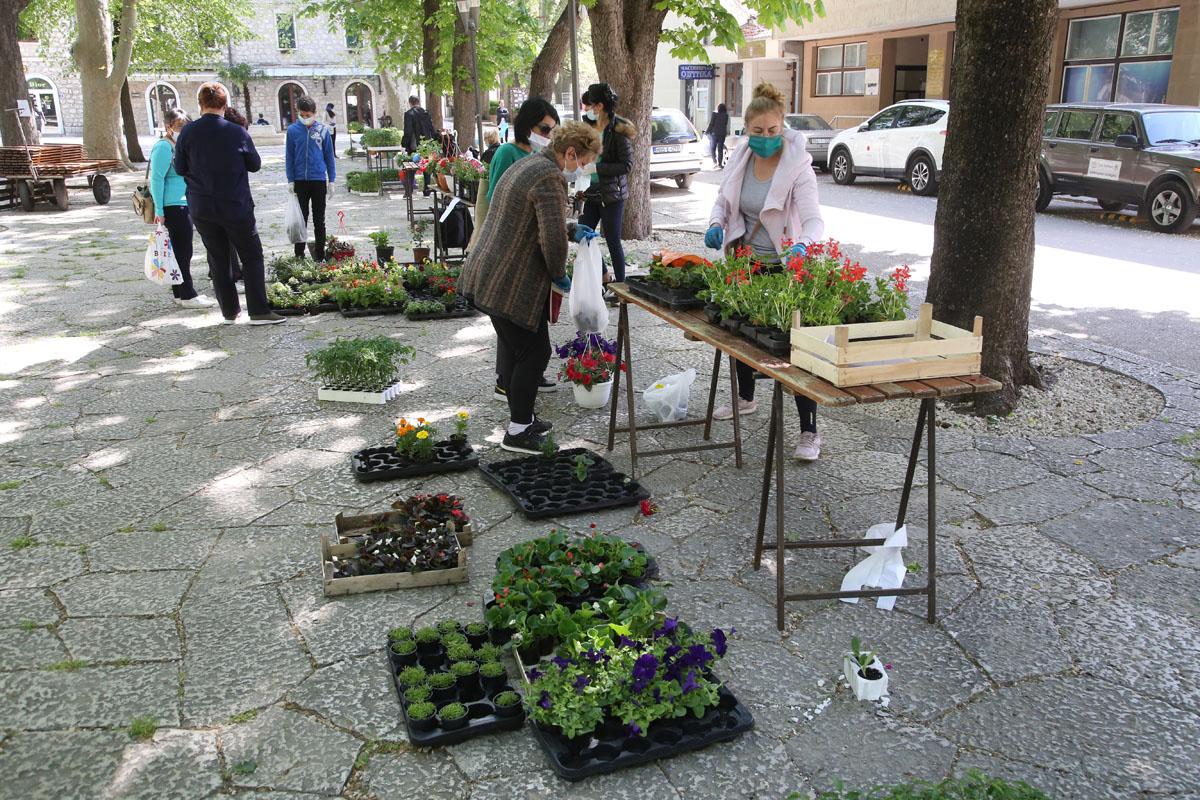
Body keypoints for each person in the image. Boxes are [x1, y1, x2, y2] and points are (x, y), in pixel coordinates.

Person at [460, 121, 602, 454]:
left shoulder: (528, 163)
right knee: (534, 352)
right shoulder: (549, 176)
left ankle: (522, 417)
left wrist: (571, 228)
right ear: (570, 152)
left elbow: (533, 218)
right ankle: (519, 431)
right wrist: (558, 273)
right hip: (510, 280)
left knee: (514, 348)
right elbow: (549, 239)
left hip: (489, 273)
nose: (582, 169)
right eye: (583, 162)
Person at [705, 83, 824, 460]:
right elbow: (723, 202)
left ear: (782, 126)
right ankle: (745, 398)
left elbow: (813, 219)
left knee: (795, 347)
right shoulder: (741, 159)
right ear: (747, 130)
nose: (766, 138)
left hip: (783, 267)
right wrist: (715, 224)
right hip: (745, 263)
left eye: (773, 131)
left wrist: (805, 244)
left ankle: (809, 431)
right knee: (740, 335)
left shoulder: (798, 166)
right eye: (758, 131)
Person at [173, 82, 284, 325]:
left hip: (202, 207)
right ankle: (258, 311)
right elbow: (254, 164)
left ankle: (230, 312)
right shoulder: (236, 132)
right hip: (235, 205)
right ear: (224, 104)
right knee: (252, 255)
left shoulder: (187, 133)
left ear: (200, 104)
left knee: (218, 257)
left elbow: (180, 167)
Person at [484, 96, 561, 400]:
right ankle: (507, 380)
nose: (548, 135)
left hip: (531, 256)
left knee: (532, 323)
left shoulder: (539, 156)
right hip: (509, 251)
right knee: (512, 320)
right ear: (528, 125)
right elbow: (496, 198)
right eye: (545, 128)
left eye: (552, 129)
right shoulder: (507, 152)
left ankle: (528, 376)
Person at [149, 109, 215, 310]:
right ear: (169, 127)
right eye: (179, 127)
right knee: (183, 251)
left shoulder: (181, 146)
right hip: (173, 205)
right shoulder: (164, 147)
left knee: (181, 250)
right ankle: (187, 293)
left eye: (186, 127)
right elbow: (157, 179)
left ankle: (180, 292)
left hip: (185, 202)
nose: (183, 130)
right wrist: (159, 210)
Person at [578, 83, 634, 293]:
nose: (587, 110)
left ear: (599, 106)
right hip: (591, 192)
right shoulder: (589, 127)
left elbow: (626, 165)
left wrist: (597, 168)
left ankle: (620, 287)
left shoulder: (618, 130)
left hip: (612, 194)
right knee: (584, 233)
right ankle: (604, 277)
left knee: (612, 241)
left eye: (590, 105)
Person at [285, 95, 336, 262]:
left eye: (308, 115)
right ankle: (299, 255)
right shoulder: (292, 131)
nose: (305, 118)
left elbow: (329, 156)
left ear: (314, 113)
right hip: (300, 181)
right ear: (298, 113)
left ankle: (320, 255)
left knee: (319, 219)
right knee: (301, 219)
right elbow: (289, 157)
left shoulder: (322, 130)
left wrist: (332, 180)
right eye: (302, 114)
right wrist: (290, 179)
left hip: (318, 180)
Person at [223, 107, 250, 281]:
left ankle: (227, 271)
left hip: (206, 201)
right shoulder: (233, 138)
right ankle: (234, 272)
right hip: (231, 198)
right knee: (230, 237)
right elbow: (254, 163)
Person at [705, 103, 729, 169]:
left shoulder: (714, 114)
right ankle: (720, 164)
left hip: (715, 133)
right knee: (720, 149)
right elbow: (725, 124)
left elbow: (711, 124)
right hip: (722, 134)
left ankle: (714, 161)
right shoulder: (726, 115)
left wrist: (707, 132)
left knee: (713, 148)